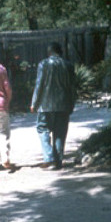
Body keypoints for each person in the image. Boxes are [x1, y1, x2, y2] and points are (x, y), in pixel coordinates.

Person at [30, 42, 76, 170]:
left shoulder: (43, 64)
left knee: (43, 129)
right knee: (60, 132)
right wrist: (72, 103)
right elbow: (73, 87)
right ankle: (58, 161)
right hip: (63, 104)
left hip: (46, 105)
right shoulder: (68, 65)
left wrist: (34, 103)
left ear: (49, 52)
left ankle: (49, 157)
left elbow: (39, 85)